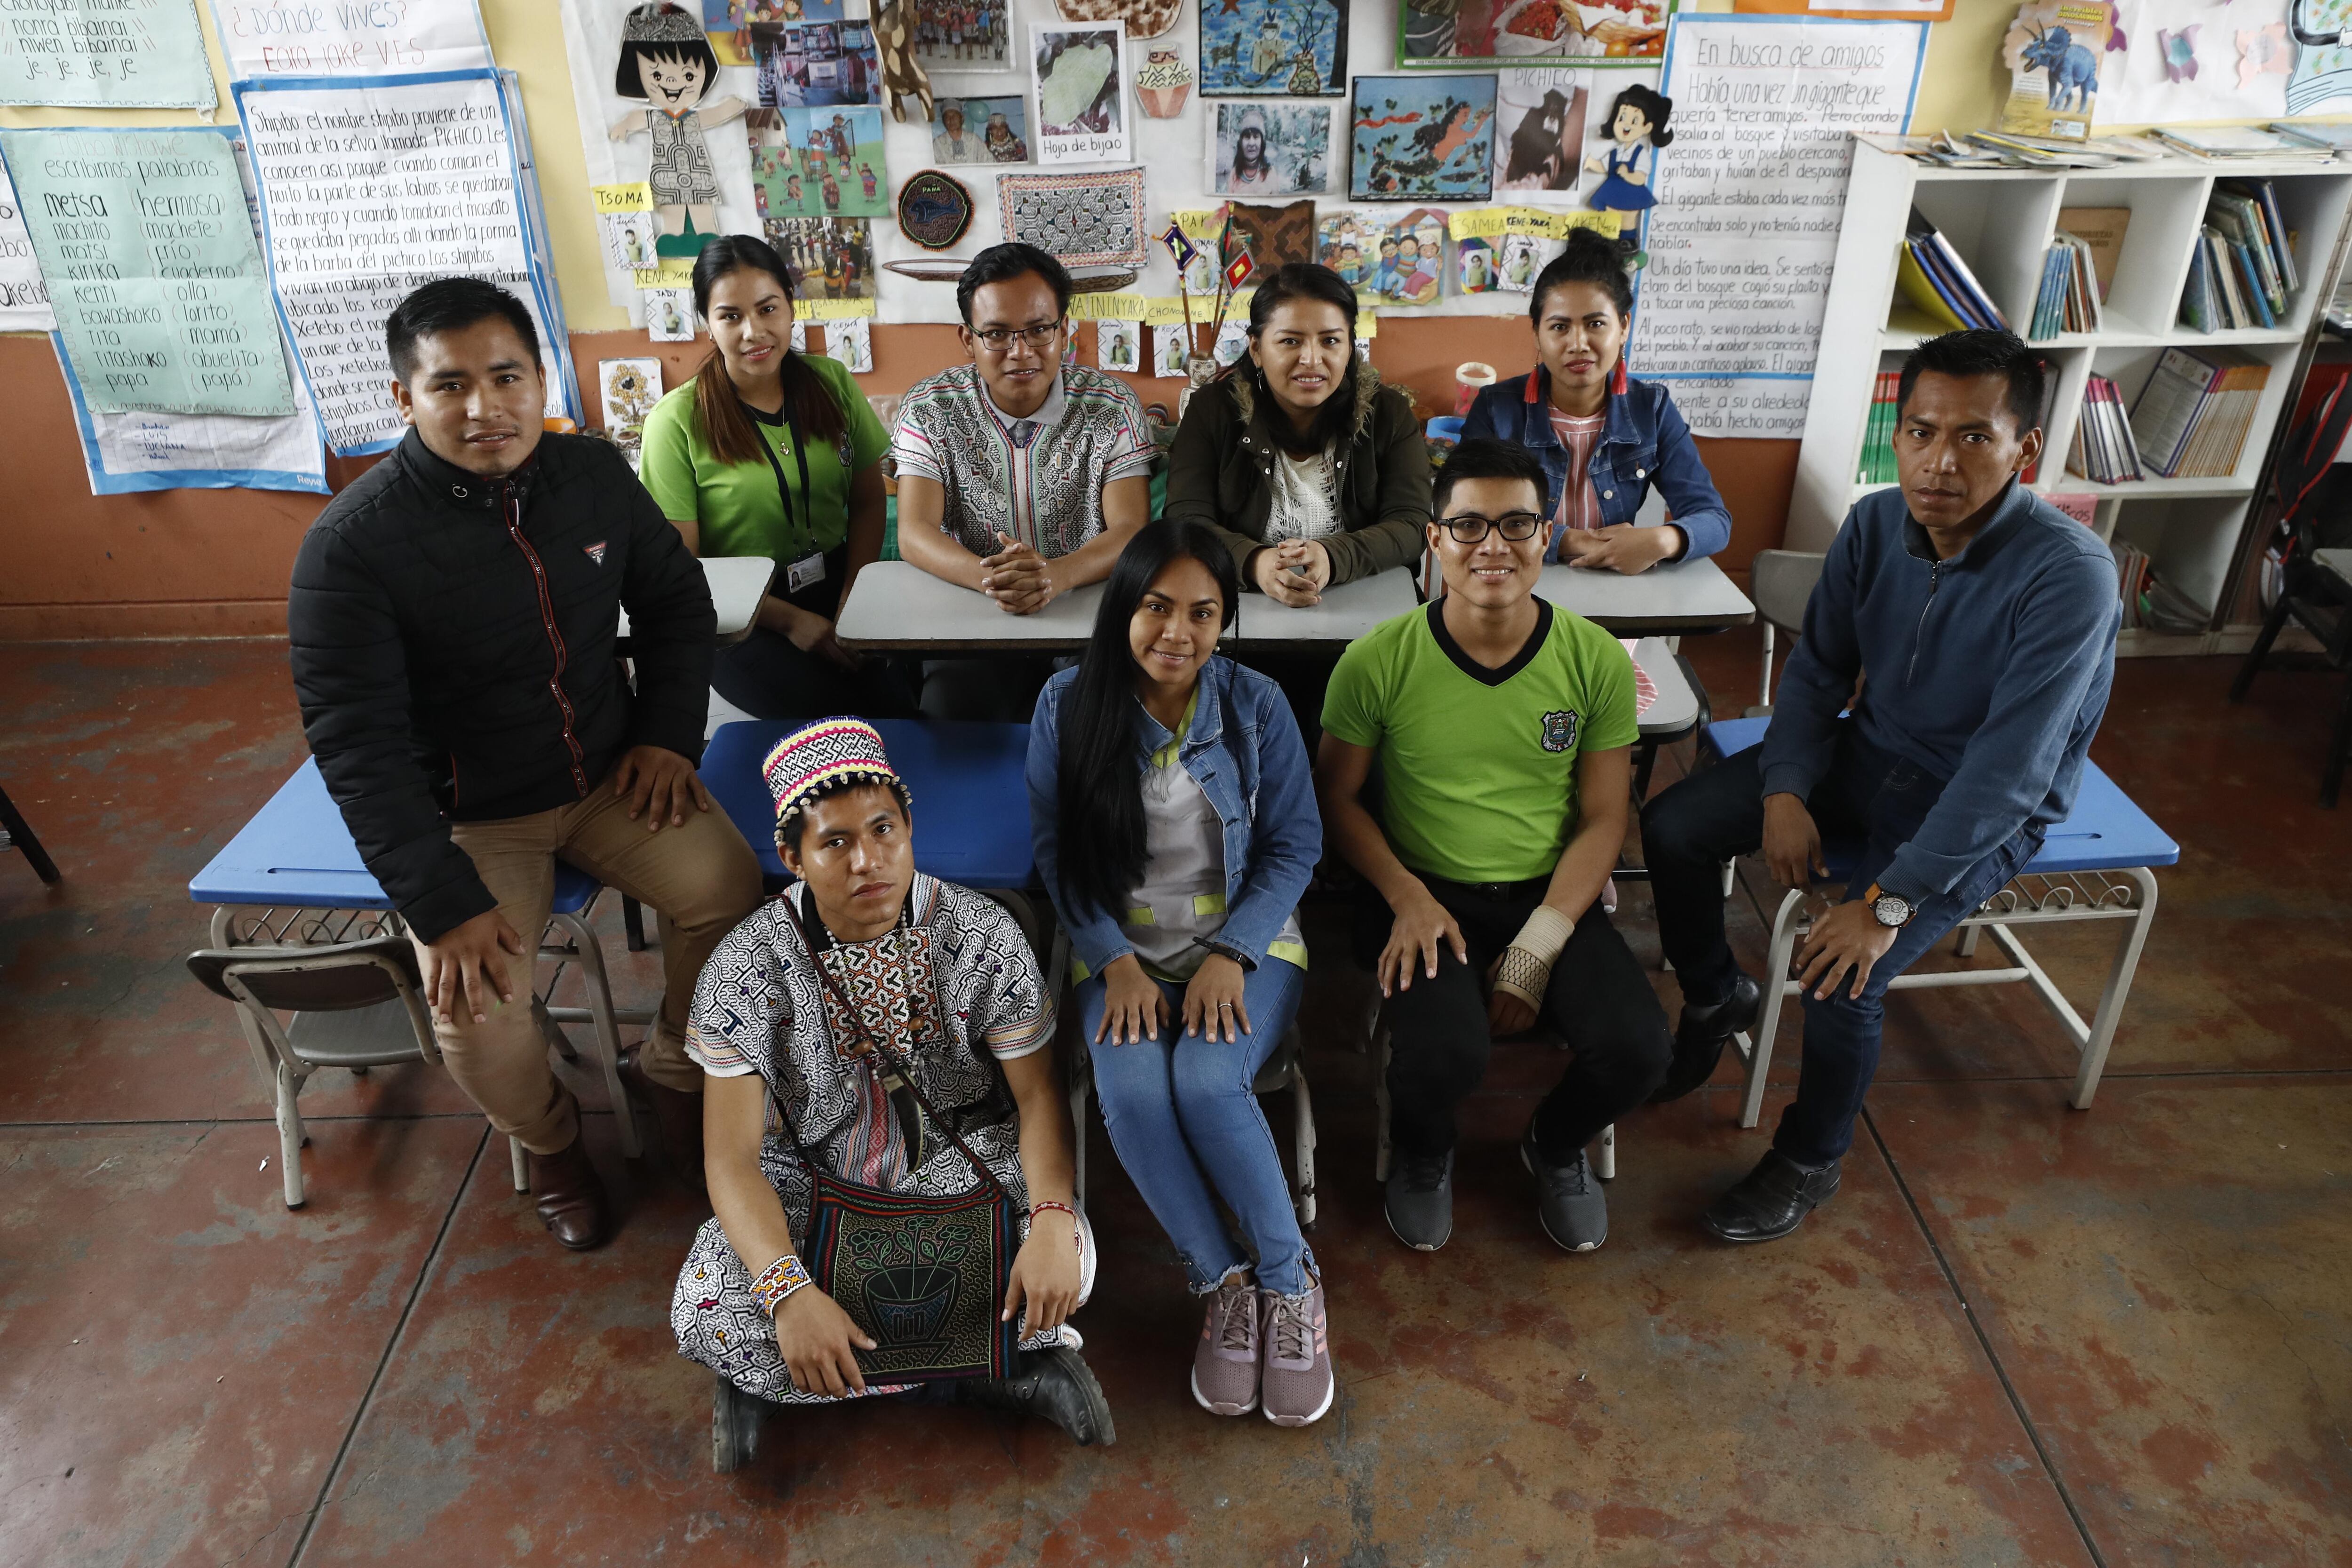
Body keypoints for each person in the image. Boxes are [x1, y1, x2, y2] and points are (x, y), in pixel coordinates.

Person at [288, 278, 765, 1250]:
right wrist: (440, 901)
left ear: (540, 378)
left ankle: (672, 1075)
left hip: (611, 777)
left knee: (728, 889)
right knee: (477, 1012)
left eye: (507, 377)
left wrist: (668, 735)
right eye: (450, 386)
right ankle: (552, 1144)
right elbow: (357, 745)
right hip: (473, 817)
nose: (486, 407)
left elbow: (676, 603)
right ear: (404, 399)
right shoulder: (350, 549)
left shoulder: (590, 474)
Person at [1643, 328, 2120, 1243]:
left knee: (1840, 973)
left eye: (1974, 437)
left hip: (1977, 808)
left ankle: (1810, 1155)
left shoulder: (2070, 576)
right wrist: (1786, 789)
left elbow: (2009, 772)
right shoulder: (1873, 524)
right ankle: (1715, 996)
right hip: (1866, 753)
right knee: (1674, 825)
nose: (1940, 461)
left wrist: (1887, 902)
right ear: (1896, 436)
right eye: (1921, 432)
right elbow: (1819, 669)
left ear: (2023, 449)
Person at [674, 718, 1113, 1446]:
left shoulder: (980, 933)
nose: (868, 861)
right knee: (706, 1305)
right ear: (793, 857)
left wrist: (1049, 1219)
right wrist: (788, 1293)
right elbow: (731, 1158)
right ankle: (990, 1370)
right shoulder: (744, 966)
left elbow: (1038, 1099)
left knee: (1071, 1259)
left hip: (957, 1165)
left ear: (910, 826)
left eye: (883, 830)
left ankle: (790, 1381)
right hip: (812, 1182)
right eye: (835, 842)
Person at [1317, 438, 1672, 1255]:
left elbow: (1603, 819)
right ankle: (1424, 1148)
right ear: (1434, 539)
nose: (1493, 547)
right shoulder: (1376, 660)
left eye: (1517, 524)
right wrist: (1406, 898)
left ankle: (1554, 1141)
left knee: (1640, 1049)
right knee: (1444, 1051)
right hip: (1422, 890)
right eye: (1469, 525)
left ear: (1547, 535)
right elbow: (1336, 798)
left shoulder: (1593, 659)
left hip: (1550, 891)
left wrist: (1540, 942)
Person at [1025, 522, 1332, 1426]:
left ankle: (1292, 1283)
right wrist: (1114, 960)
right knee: (1132, 1092)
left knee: (1205, 1079)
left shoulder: (1256, 705)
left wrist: (1232, 954)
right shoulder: (1065, 704)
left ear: (1225, 620)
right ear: (1124, 605)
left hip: (1244, 945)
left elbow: (1295, 845)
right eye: (1157, 607)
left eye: (1204, 613)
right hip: (1119, 952)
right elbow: (1057, 854)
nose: (1178, 633)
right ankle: (1225, 1281)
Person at [637, 234, 907, 722]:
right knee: (840, 722)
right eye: (730, 316)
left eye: (767, 309)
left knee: (905, 703)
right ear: (707, 323)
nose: (753, 332)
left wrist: (854, 595)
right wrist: (791, 622)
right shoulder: (675, 421)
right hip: (738, 613)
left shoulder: (832, 382)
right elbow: (683, 567)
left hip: (840, 584)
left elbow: (870, 501)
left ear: (790, 306)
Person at [1166, 262, 1430, 742]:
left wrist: (1333, 556)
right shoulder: (1212, 411)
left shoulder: (1387, 413)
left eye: (1331, 341)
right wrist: (1256, 563)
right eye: (1290, 341)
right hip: (1238, 638)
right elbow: (1185, 520)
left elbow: (1413, 523)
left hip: (1364, 636)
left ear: (1350, 347)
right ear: (1256, 348)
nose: (1312, 359)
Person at [892, 242, 1156, 718]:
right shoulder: (929, 408)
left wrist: (1056, 576)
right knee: (951, 716)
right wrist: (993, 580)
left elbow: (1131, 529)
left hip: (1089, 616)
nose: (1021, 352)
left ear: (1064, 331)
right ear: (967, 339)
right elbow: (914, 532)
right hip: (972, 612)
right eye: (996, 334)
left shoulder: (1111, 406)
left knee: (1099, 722)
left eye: (1039, 330)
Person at [1460, 228, 1731, 574]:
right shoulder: (1496, 409)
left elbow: (1713, 518)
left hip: (1615, 586)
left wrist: (1662, 540)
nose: (1578, 344)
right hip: (1514, 582)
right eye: (1559, 327)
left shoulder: (1653, 409)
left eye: (1596, 324)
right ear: (1537, 335)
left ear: (1624, 327)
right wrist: (1571, 541)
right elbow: (1469, 515)